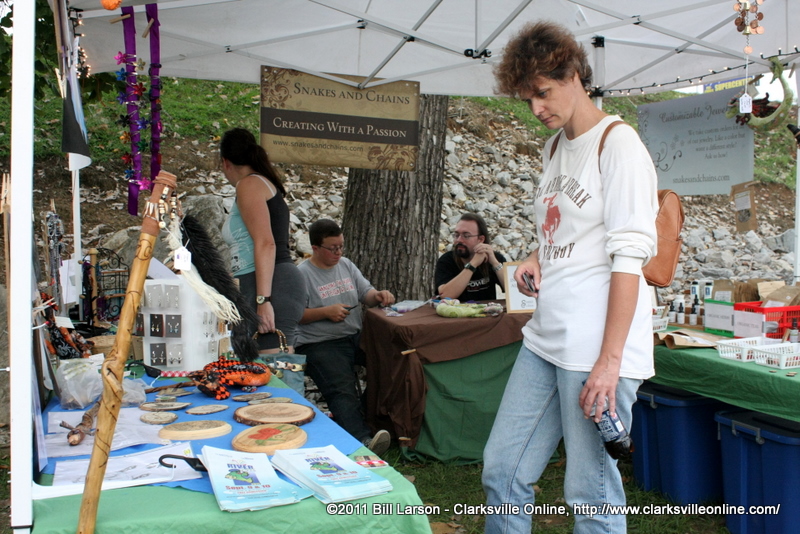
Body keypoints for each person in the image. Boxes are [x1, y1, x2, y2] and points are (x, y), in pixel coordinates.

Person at [482, 22, 658, 534]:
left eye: (543, 92)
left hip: (596, 348)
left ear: (574, 75)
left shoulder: (619, 145)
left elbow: (629, 260)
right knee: (502, 470)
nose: (536, 108)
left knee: (591, 495)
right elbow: (566, 228)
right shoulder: (555, 147)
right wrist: (537, 256)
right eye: (527, 98)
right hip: (546, 337)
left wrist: (609, 362)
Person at [295, 219, 395, 456]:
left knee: (391, 364)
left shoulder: (346, 265)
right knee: (341, 387)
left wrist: (378, 296)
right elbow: (295, 315)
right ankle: (361, 440)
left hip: (354, 336)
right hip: (319, 343)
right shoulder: (301, 274)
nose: (338, 252)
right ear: (315, 248)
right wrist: (325, 312)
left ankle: (370, 419)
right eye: (333, 248)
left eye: (341, 246)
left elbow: (365, 293)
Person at [220, 128, 306, 352]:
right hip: (263, 282)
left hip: (271, 284)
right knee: (264, 363)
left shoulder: (249, 185)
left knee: (273, 363)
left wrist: (264, 300)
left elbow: (266, 243)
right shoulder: (259, 183)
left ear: (225, 162)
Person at [434, 212, 506, 301]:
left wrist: (495, 264)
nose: (459, 240)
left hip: (488, 309)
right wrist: (472, 264)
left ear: (481, 239)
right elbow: (445, 295)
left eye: (466, 236)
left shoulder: (495, 258)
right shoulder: (447, 260)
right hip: (456, 309)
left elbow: (514, 291)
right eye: (456, 235)